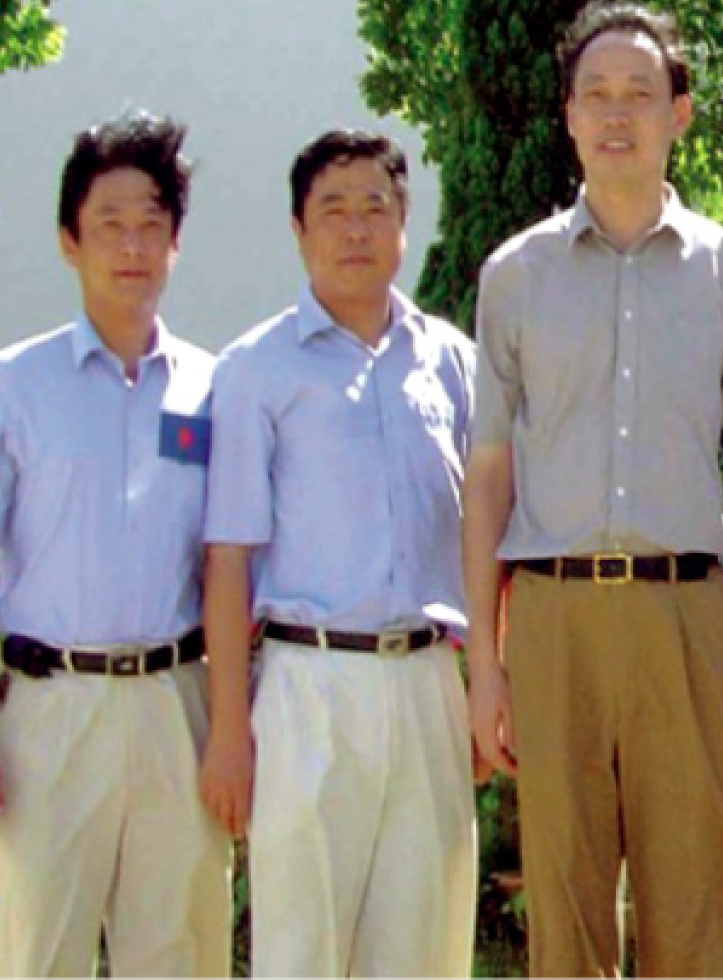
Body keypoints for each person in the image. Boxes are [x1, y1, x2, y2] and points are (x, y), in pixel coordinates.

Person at [463, 0, 723, 978]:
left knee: (697, 903)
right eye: (595, 94)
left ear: (678, 111)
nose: (617, 114)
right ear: (566, 114)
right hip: (553, 617)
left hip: (684, 609)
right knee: (562, 909)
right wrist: (485, 659)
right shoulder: (514, 275)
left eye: (639, 93)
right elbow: (488, 473)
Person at [199, 130, 477, 976]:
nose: (356, 229)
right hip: (306, 688)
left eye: (376, 208)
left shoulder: (453, 362)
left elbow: (486, 533)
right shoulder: (256, 369)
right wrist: (227, 733)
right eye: (334, 210)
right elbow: (227, 559)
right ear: (298, 229)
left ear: (404, 225)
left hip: (429, 679)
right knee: (303, 943)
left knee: (426, 937)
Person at [0, 114, 230, 975]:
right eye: (109, 224)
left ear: (177, 243)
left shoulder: (213, 388)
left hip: (176, 709)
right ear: (67, 240)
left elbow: (228, 564)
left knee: (181, 953)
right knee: (41, 954)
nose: (132, 246)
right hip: (51, 716)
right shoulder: (9, 388)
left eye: (151, 224)